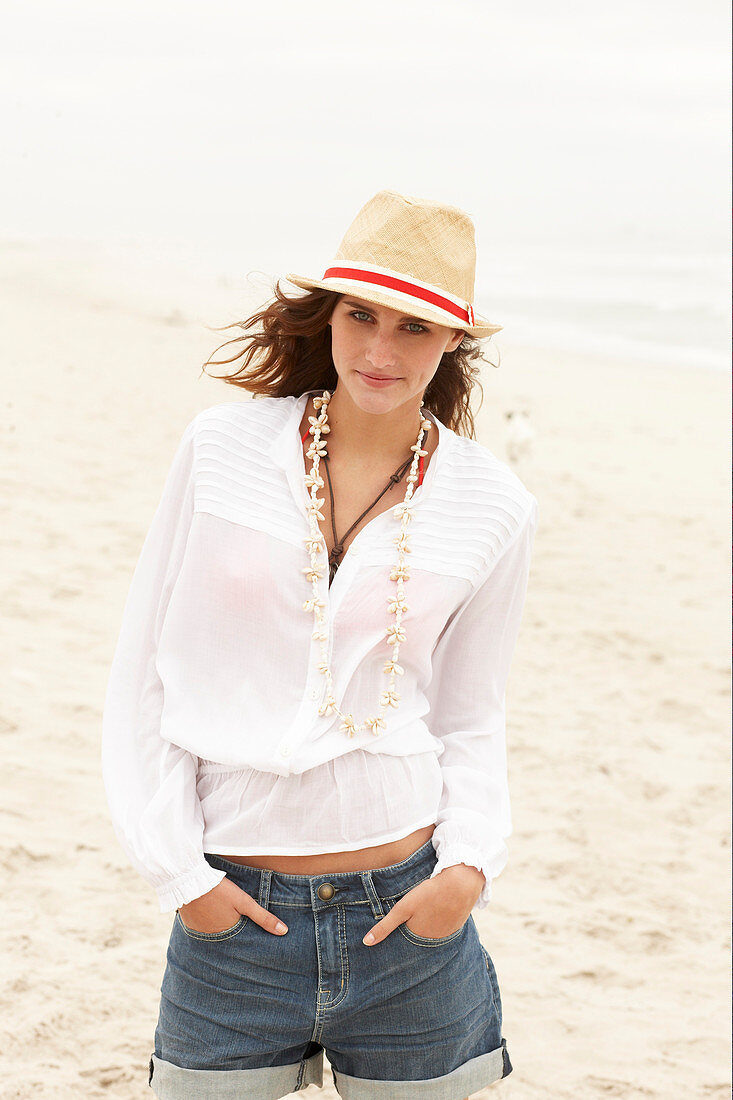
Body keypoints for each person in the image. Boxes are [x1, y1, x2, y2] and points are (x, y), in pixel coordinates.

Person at [101, 188, 539, 1099]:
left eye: (415, 329)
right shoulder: (222, 447)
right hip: (235, 917)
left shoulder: (492, 504)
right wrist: (179, 873)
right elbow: (145, 666)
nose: (380, 351)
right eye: (360, 316)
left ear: (453, 339)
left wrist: (466, 867)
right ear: (328, 315)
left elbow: (470, 710)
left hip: (410, 918)